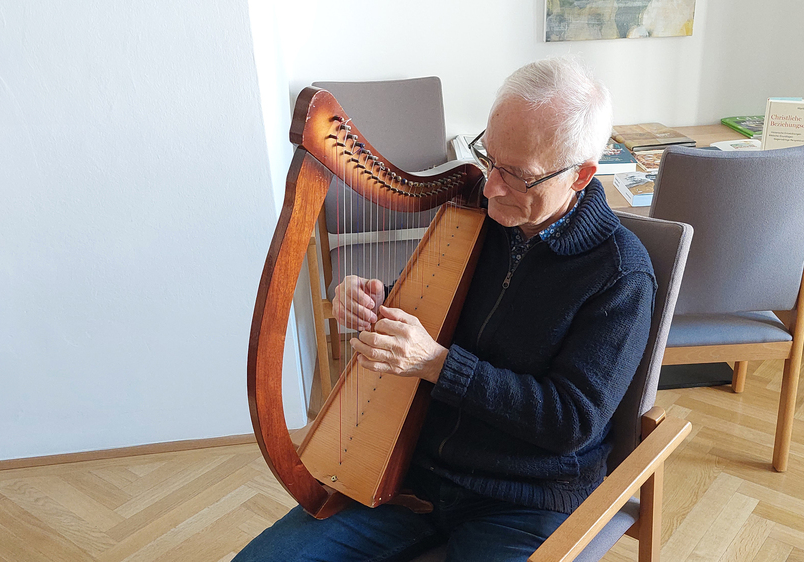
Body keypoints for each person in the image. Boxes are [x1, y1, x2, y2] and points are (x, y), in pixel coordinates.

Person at [236, 56, 656, 562]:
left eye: (516, 175)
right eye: (489, 158)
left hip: (524, 501)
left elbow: (570, 421)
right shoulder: (476, 215)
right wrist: (376, 299)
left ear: (580, 175)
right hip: (411, 472)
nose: (491, 185)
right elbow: (435, 307)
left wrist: (438, 364)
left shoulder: (620, 275)